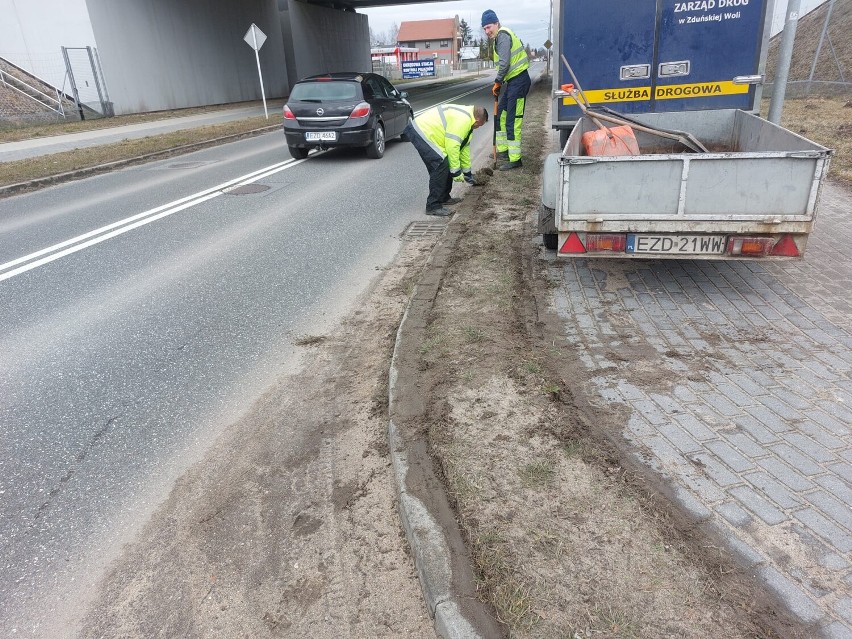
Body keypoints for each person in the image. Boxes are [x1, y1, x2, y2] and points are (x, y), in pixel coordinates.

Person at [404, 104, 488, 216]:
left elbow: (463, 149)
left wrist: (467, 173)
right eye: (479, 125)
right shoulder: (463, 120)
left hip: (429, 134)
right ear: (477, 119)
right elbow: (452, 146)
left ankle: (444, 197)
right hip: (421, 132)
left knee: (446, 163)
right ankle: (432, 206)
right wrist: (456, 172)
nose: (478, 127)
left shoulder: (468, 121)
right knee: (440, 165)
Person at [482, 9, 531, 171]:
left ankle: (515, 159)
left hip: (519, 81)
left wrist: (497, 82)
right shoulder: (498, 38)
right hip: (513, 82)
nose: (487, 31)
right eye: (484, 29)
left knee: (512, 120)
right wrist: (501, 83)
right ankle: (503, 151)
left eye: (489, 27)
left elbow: (504, 64)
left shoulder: (503, 36)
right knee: (501, 115)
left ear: (496, 23)